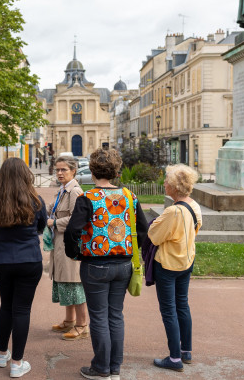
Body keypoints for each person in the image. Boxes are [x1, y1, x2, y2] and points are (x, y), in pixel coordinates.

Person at [65, 148, 148, 380]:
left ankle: (101, 368)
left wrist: (74, 253)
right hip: (123, 264)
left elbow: (73, 230)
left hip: (96, 264)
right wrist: (129, 248)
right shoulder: (129, 196)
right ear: (116, 170)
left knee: (99, 316)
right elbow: (143, 229)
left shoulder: (88, 198)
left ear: (92, 170)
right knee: (116, 315)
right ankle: (114, 368)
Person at [0, 157, 48, 378]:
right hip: (29, 259)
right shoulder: (35, 200)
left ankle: (2, 354)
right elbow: (42, 225)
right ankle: (17, 363)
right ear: (26, 175)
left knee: (5, 306)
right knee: (22, 310)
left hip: (2, 261)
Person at [148, 164, 203, 372]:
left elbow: (154, 236)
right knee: (182, 305)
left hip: (168, 263)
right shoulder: (194, 205)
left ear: (174, 187)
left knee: (168, 310)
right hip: (187, 260)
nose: (164, 184)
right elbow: (197, 227)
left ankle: (173, 358)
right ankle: (186, 351)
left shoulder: (173, 211)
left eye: (167, 182)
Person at [47, 156, 88, 340]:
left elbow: (75, 219)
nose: (59, 173)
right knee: (65, 281)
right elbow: (52, 208)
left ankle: (82, 325)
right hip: (60, 242)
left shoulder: (75, 192)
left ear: (73, 171)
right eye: (57, 170)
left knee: (74, 283)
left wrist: (54, 222)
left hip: (69, 243)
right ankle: (69, 320)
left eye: (63, 170)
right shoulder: (63, 190)